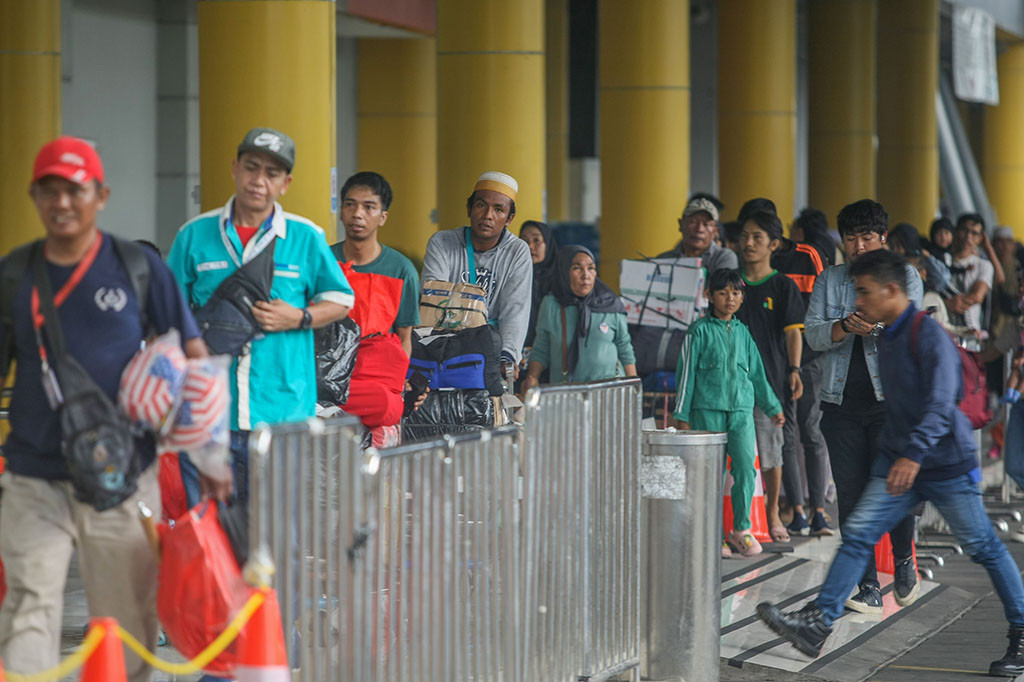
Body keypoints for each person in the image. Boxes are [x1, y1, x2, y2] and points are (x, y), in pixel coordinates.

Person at [757, 249, 1024, 679]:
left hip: (942, 464)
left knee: (984, 547)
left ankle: (1022, 633)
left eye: (864, 292)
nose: (858, 301)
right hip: (899, 459)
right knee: (859, 534)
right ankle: (820, 623)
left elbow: (940, 404)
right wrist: (896, 456)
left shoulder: (927, 335)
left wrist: (914, 454)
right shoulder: (891, 335)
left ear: (892, 291)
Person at [0, 137, 210, 680]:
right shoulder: (13, 275)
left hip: (122, 477)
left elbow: (193, 355)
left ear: (101, 196)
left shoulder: (138, 267)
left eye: (76, 190)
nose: (62, 202)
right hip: (32, 480)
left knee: (125, 624)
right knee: (28, 610)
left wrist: (206, 458)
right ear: (35, 196)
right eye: (50, 190)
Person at [168, 127, 353, 507]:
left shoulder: (305, 237)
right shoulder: (194, 235)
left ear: (285, 184)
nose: (259, 181)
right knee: (210, 540)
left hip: (282, 411)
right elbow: (167, 310)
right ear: (235, 168)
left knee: (278, 539)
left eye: (271, 174)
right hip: (209, 414)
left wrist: (298, 317)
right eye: (251, 168)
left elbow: (340, 299)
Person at [805, 198, 922, 615]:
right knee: (852, 496)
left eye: (866, 237)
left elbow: (915, 329)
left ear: (882, 238)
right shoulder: (830, 280)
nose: (857, 246)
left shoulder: (904, 276)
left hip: (890, 402)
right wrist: (842, 327)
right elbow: (813, 336)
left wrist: (878, 327)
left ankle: (905, 557)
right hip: (840, 404)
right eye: (851, 238)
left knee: (895, 489)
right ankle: (868, 584)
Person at [673, 268, 784, 557]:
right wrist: (681, 414)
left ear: (742, 297)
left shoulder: (744, 333)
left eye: (736, 292)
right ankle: (712, 533)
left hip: (741, 412)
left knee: (747, 467)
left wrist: (772, 407)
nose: (730, 298)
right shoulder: (698, 331)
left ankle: (741, 530)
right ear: (709, 295)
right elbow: (685, 375)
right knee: (710, 473)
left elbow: (757, 374)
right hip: (705, 412)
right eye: (723, 292)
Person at [755, 200, 832, 537]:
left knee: (811, 431)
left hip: (810, 357)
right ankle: (797, 510)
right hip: (776, 361)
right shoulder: (758, 264)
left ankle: (818, 510)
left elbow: (821, 304)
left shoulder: (809, 255)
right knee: (786, 433)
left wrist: (800, 361)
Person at [735, 209, 805, 544]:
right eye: (745, 236)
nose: (748, 243)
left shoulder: (782, 286)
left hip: (770, 383)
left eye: (757, 237)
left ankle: (774, 511)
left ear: (773, 244)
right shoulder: (729, 284)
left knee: (771, 450)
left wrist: (794, 370)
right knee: (735, 454)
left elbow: (793, 333)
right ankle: (736, 517)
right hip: (730, 385)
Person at [422, 171, 533, 379]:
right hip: (444, 348)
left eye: (498, 210)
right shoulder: (442, 243)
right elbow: (434, 298)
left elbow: (515, 310)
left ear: (509, 218)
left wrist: (507, 356)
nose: (487, 215)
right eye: (481, 205)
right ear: (469, 209)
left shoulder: (517, 251)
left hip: (492, 354)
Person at [523, 246, 636, 388]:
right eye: (577, 268)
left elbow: (624, 347)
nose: (585, 275)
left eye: (591, 268)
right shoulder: (552, 305)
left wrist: (634, 386)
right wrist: (532, 378)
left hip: (610, 390)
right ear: (564, 271)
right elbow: (541, 347)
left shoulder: (610, 304)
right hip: (567, 391)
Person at [332, 171, 419, 354]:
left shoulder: (401, 270)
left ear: (383, 217)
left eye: (369, 207)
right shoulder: (323, 261)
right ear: (341, 212)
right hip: (324, 375)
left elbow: (404, 338)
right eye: (350, 205)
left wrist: (398, 380)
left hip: (377, 375)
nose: (357, 214)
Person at [946, 213, 1004, 347]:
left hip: (970, 336)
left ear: (980, 238)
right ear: (956, 231)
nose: (968, 237)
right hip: (942, 331)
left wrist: (950, 303)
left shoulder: (983, 265)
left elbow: (977, 296)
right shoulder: (942, 261)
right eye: (964, 230)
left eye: (974, 233)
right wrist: (947, 303)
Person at [658, 196, 738, 275]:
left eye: (706, 224)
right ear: (681, 224)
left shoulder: (723, 258)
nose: (699, 229)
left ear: (715, 231)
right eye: (693, 222)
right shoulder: (663, 260)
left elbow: (723, 287)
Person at [520, 220, 558, 349]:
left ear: (548, 244)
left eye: (536, 240)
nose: (530, 246)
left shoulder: (561, 279)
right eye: (524, 241)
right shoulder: (512, 276)